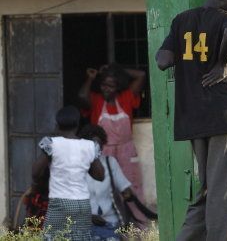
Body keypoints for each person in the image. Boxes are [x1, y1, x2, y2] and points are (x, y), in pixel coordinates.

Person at [155, 0, 227, 241]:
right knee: (224, 190)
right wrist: (222, 62)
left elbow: (162, 60)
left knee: (207, 190)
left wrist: (188, 58)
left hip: (193, 115)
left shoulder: (181, 20)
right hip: (223, 113)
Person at [32, 106, 105, 240]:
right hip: (82, 204)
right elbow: (100, 176)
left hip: (60, 202)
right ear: (78, 124)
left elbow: (35, 173)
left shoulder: (51, 144)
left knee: (52, 237)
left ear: (57, 124)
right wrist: (85, 161)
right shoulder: (90, 146)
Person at [78, 64, 146, 203]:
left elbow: (141, 75)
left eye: (111, 85)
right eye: (104, 84)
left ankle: (132, 223)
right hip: (103, 153)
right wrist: (91, 78)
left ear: (118, 86)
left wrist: (117, 68)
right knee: (104, 188)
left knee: (130, 189)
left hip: (126, 152)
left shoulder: (126, 97)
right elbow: (81, 96)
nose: (106, 89)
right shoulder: (96, 100)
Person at [79, 124, 133, 241]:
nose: (95, 147)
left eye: (98, 144)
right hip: (85, 224)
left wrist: (128, 195)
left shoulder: (110, 163)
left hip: (110, 223)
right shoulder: (77, 166)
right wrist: (89, 217)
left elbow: (125, 190)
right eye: (92, 144)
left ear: (103, 145)